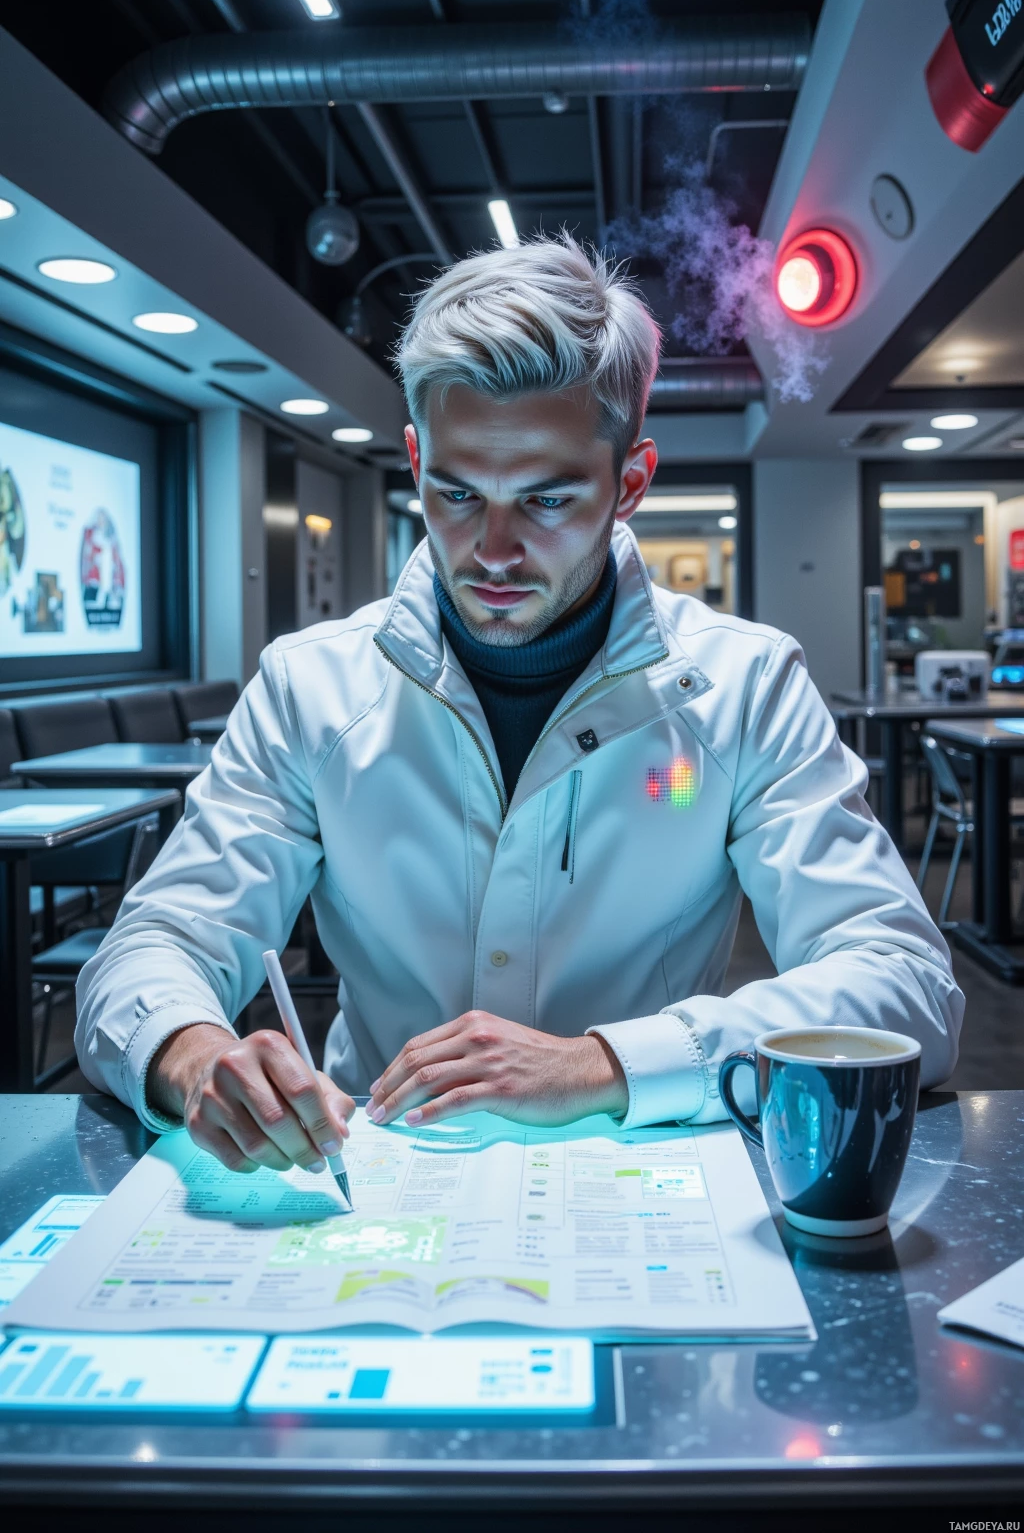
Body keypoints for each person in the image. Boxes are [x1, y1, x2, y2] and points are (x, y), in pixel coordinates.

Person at [76, 236, 964, 1177]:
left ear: (630, 484)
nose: (493, 551)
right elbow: (156, 945)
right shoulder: (308, 688)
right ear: (414, 460)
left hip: (648, 1179)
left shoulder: (747, 687)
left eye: (546, 500)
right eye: (457, 494)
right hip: (370, 1178)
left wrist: (606, 1063)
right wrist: (193, 1053)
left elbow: (905, 986)